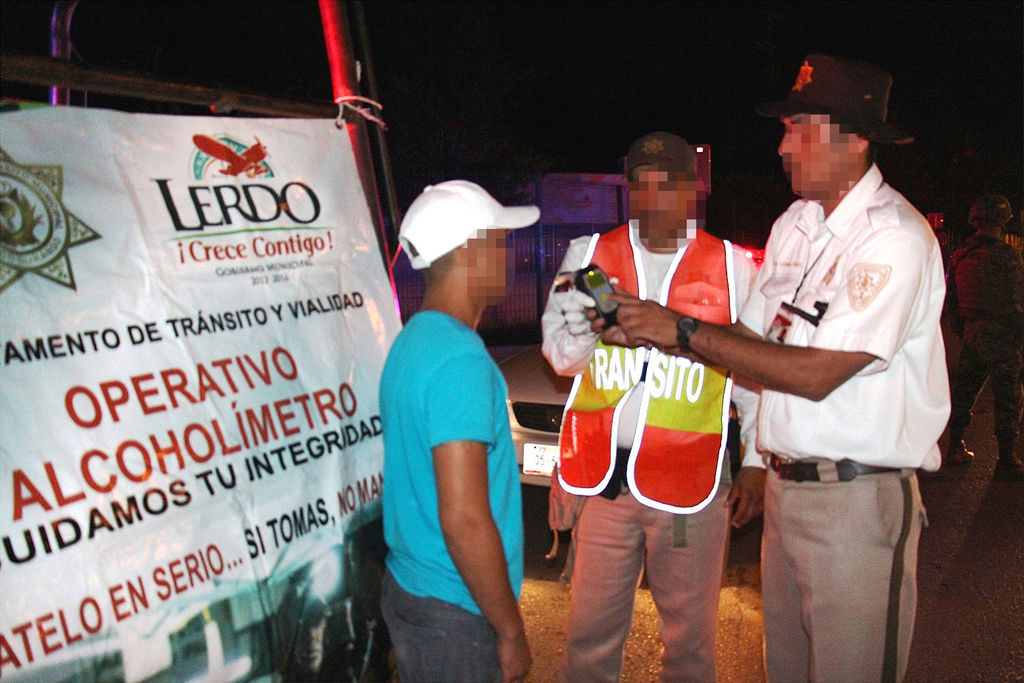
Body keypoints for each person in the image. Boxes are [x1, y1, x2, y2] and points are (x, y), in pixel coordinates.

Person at [609, 55, 950, 681]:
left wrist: (681, 329)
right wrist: (657, 328)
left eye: (798, 130)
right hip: (788, 494)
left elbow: (817, 373)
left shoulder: (892, 237)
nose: (783, 146)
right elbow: (750, 342)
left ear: (853, 139)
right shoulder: (795, 224)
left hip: (855, 502)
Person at [542, 131, 764, 682]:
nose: (652, 195)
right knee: (588, 641)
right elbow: (560, 358)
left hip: (691, 482)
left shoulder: (733, 266)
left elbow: (753, 376)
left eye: (668, 182)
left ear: (693, 188)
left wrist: (757, 462)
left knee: (690, 649)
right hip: (601, 481)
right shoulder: (589, 255)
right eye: (641, 182)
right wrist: (592, 328)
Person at [379, 180, 537, 683]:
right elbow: (464, 519)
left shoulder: (412, 340)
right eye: (502, 241)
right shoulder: (459, 361)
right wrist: (510, 630)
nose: (511, 255)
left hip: (412, 587)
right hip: (454, 610)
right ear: (473, 251)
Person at [944, 194, 1024, 480]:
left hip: (972, 336)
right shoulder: (1007, 255)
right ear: (1002, 220)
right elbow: (1017, 300)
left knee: (964, 392)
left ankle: (955, 446)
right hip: (1002, 336)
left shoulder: (960, 256)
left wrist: (965, 331)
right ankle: (1007, 458)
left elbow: (951, 302)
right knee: (1008, 397)